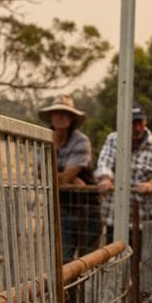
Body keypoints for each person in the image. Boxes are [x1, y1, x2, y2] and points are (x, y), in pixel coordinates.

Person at [38, 95, 99, 261]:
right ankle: (69, 289)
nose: (60, 117)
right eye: (56, 112)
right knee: (63, 260)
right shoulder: (43, 140)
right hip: (62, 208)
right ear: (51, 117)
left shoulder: (81, 141)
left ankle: (87, 289)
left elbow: (62, 177)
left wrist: (65, 178)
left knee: (88, 261)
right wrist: (69, 179)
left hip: (87, 208)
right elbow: (39, 173)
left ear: (71, 118)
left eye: (64, 113)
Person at [93, 102, 152, 229]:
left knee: (141, 249)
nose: (137, 128)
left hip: (143, 221)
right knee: (113, 248)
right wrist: (105, 178)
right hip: (115, 217)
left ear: (145, 121)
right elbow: (104, 161)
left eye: (140, 122)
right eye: (133, 123)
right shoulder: (113, 139)